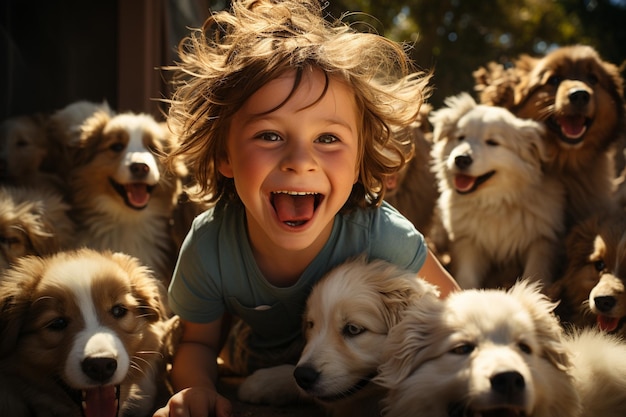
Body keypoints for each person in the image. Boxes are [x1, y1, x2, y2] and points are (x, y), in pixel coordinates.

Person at [155, 1, 460, 416]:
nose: (300, 160)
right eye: (268, 134)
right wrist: (196, 389)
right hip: (254, 359)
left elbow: (457, 314)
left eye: (328, 138)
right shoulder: (210, 246)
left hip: (351, 371)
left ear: (358, 163)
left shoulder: (381, 233)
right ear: (225, 156)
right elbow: (197, 342)